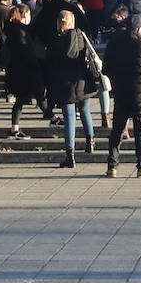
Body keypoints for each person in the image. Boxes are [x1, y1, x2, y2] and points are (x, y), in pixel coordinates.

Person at [102, 5, 141, 178]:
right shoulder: (140, 42)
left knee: (117, 130)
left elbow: (105, 69)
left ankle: (112, 166)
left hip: (121, 93)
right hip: (140, 94)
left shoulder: (114, 42)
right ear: (139, 28)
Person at [45, 9, 99, 168]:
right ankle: (90, 141)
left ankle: (70, 155)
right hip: (82, 81)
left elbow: (50, 63)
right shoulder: (81, 36)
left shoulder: (54, 40)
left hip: (64, 84)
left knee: (69, 118)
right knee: (85, 110)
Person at [3, 5, 44, 140]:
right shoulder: (20, 32)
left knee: (23, 99)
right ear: (24, 15)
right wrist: (35, 64)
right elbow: (25, 51)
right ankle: (50, 116)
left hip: (17, 70)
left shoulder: (12, 29)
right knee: (31, 95)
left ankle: (15, 128)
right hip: (24, 70)